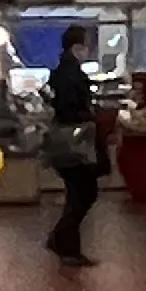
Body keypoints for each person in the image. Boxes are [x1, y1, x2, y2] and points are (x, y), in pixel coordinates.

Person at [45, 25, 105, 265]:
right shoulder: (73, 73)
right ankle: (64, 243)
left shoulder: (60, 70)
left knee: (77, 192)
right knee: (85, 192)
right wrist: (89, 116)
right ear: (77, 46)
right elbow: (72, 106)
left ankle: (63, 241)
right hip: (75, 138)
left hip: (62, 137)